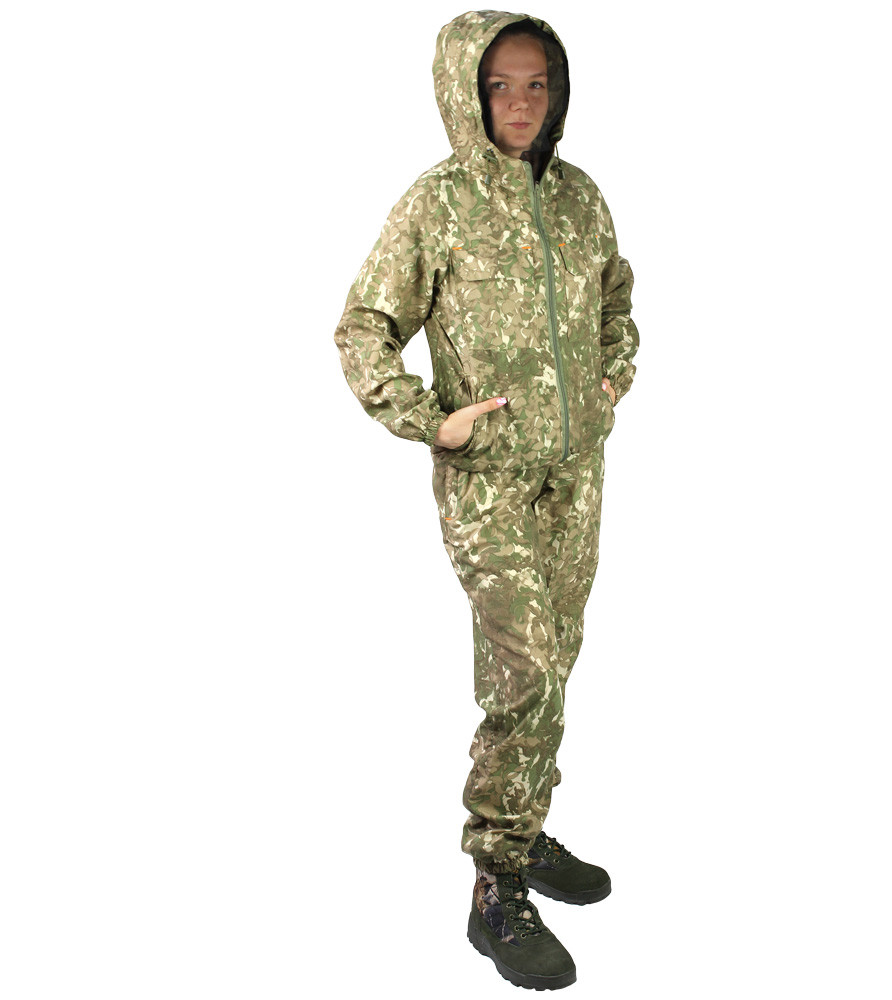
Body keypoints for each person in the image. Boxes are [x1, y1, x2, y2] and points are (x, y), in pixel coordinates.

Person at [334, 10, 638, 990]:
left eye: (536, 84)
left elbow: (617, 304)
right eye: (499, 84)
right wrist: (434, 422)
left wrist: (608, 384)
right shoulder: (437, 204)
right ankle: (494, 882)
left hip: (574, 477)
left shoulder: (579, 197)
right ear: (465, 91)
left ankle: (526, 824)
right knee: (530, 666)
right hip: (488, 483)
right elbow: (363, 327)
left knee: (553, 663)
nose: (519, 102)